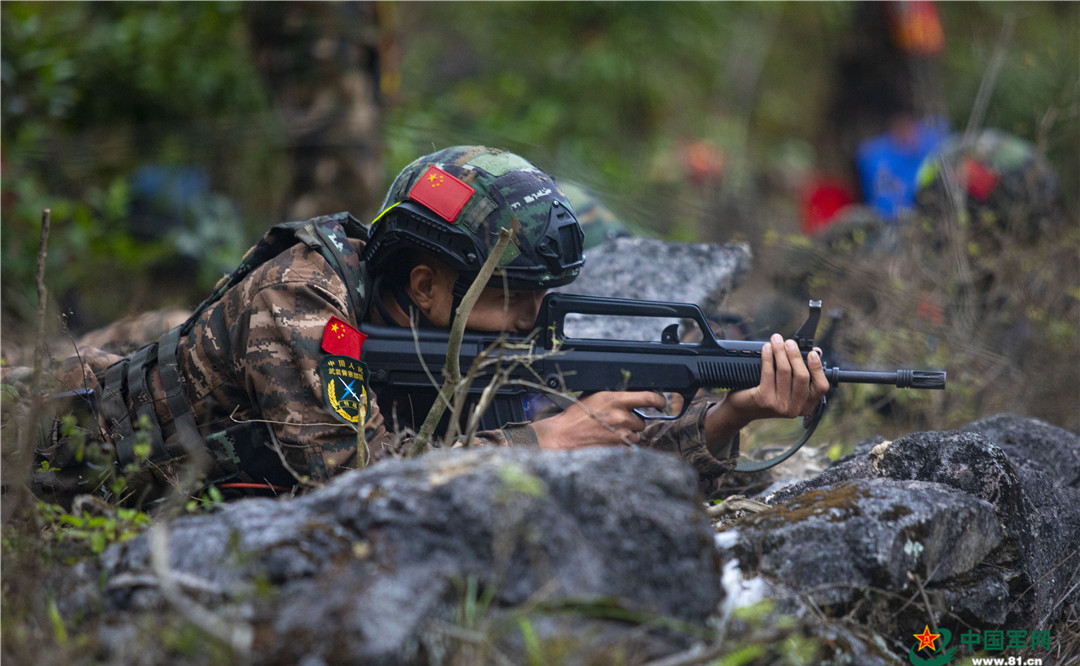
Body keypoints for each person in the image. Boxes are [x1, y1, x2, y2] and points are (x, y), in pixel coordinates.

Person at [30, 146, 829, 508]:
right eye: (512, 294)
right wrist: (545, 442)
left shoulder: (452, 338)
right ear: (424, 284)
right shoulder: (302, 299)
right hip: (42, 440)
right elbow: (352, 477)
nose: (530, 320)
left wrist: (729, 414)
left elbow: (609, 466)